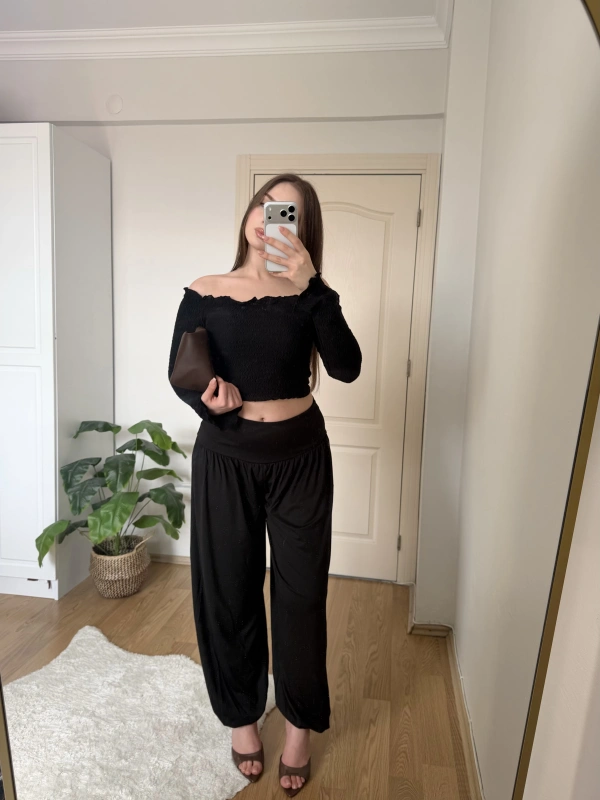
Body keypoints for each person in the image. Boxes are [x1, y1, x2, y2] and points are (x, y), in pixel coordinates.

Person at [168, 173, 362, 796]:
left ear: (302, 231)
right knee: (229, 591)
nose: (267, 216)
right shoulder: (205, 290)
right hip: (226, 456)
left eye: (286, 212)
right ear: (250, 212)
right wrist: (208, 400)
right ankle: (243, 718)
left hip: (300, 458)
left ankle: (300, 727)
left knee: (301, 596)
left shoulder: (308, 296)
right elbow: (181, 374)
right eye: (263, 203)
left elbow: (347, 367)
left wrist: (314, 287)